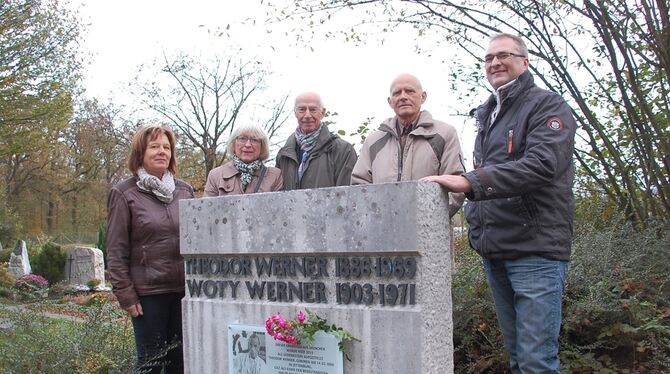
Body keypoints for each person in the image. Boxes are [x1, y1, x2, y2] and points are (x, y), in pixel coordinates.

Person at [422, 33, 576, 373]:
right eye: (488, 58)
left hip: (535, 251)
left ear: (525, 61)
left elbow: (542, 165)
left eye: (503, 55)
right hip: (497, 251)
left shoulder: (547, 106)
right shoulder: (490, 114)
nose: (494, 63)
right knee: (518, 358)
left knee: (537, 360)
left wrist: (469, 182)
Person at [106, 124, 194, 373]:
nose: (161, 151)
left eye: (166, 147)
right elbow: (116, 248)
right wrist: (126, 294)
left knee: (182, 361)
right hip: (148, 294)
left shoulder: (184, 191)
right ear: (141, 152)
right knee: (151, 363)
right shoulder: (124, 193)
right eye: (154, 146)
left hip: (184, 291)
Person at [351, 73, 465, 217]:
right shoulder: (373, 141)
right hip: (382, 231)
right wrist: (376, 220)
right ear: (390, 101)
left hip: (428, 233)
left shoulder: (444, 134)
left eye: (410, 91)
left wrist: (428, 221)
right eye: (397, 93)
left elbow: (456, 185)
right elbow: (359, 187)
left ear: (423, 97)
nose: (403, 96)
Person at [275, 92, 357, 190]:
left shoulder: (343, 150)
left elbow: (347, 196)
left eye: (313, 110)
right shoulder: (284, 155)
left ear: (322, 113)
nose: (307, 115)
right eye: (302, 109)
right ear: (295, 113)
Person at [204, 124, 282, 196]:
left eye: (254, 140)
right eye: (242, 139)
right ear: (233, 144)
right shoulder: (215, 175)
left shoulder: (275, 176)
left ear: (262, 147)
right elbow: (207, 209)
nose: (248, 144)